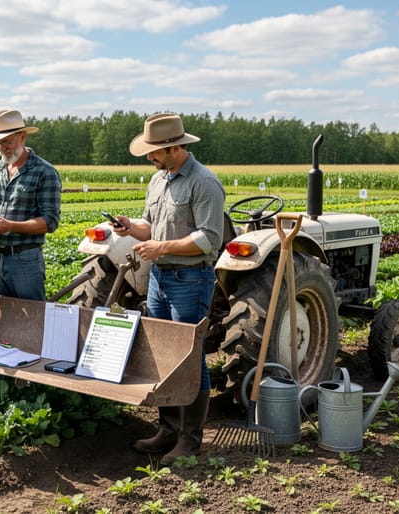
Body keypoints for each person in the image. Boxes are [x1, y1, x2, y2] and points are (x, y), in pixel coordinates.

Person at [110, 113, 225, 465]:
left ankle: (190, 439)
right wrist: (132, 228)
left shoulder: (204, 183)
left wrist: (161, 247)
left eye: (155, 152)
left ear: (175, 147)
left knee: (190, 357)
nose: (150, 159)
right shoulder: (159, 181)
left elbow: (209, 239)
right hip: (159, 279)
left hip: (190, 280)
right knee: (163, 353)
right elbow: (152, 226)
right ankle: (169, 429)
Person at [0, 109, 62, 301]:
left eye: (7, 141)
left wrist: (10, 226)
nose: (3, 148)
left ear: (23, 137)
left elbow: (50, 221)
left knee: (31, 322)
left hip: (25, 259)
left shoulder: (44, 172)